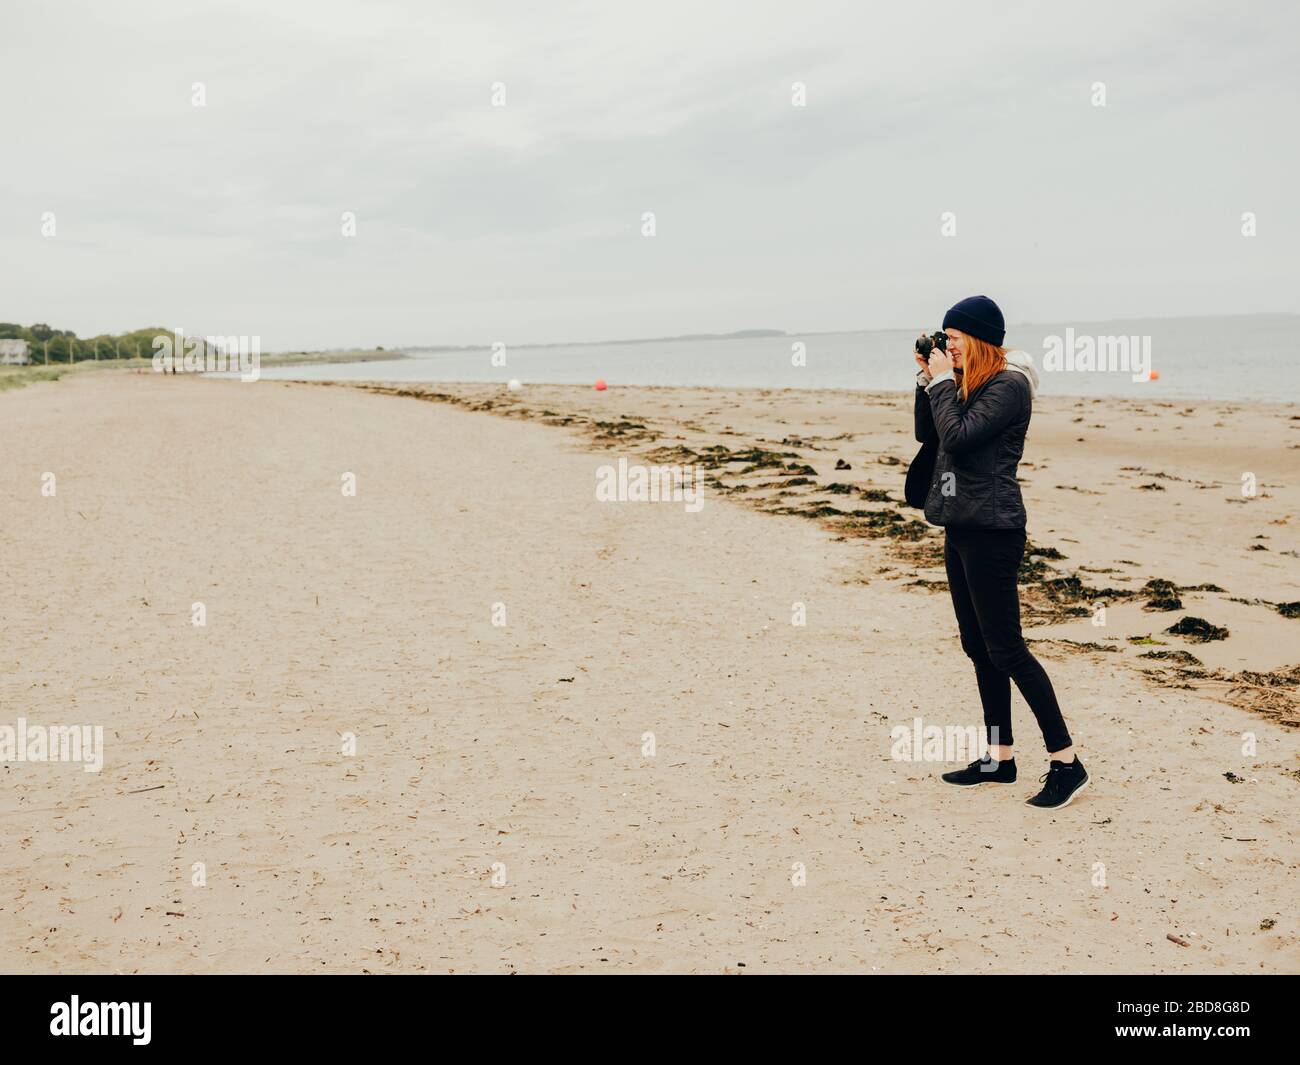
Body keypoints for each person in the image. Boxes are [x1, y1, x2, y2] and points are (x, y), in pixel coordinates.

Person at [913, 295, 1089, 810]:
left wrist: (945, 384)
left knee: (1007, 647)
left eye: (955, 338)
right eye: (943, 339)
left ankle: (1066, 761)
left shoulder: (1009, 386)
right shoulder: (964, 381)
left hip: (993, 529)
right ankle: (999, 757)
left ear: (981, 339)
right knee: (977, 645)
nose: (948, 345)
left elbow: (960, 437)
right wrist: (928, 379)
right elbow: (930, 434)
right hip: (959, 524)